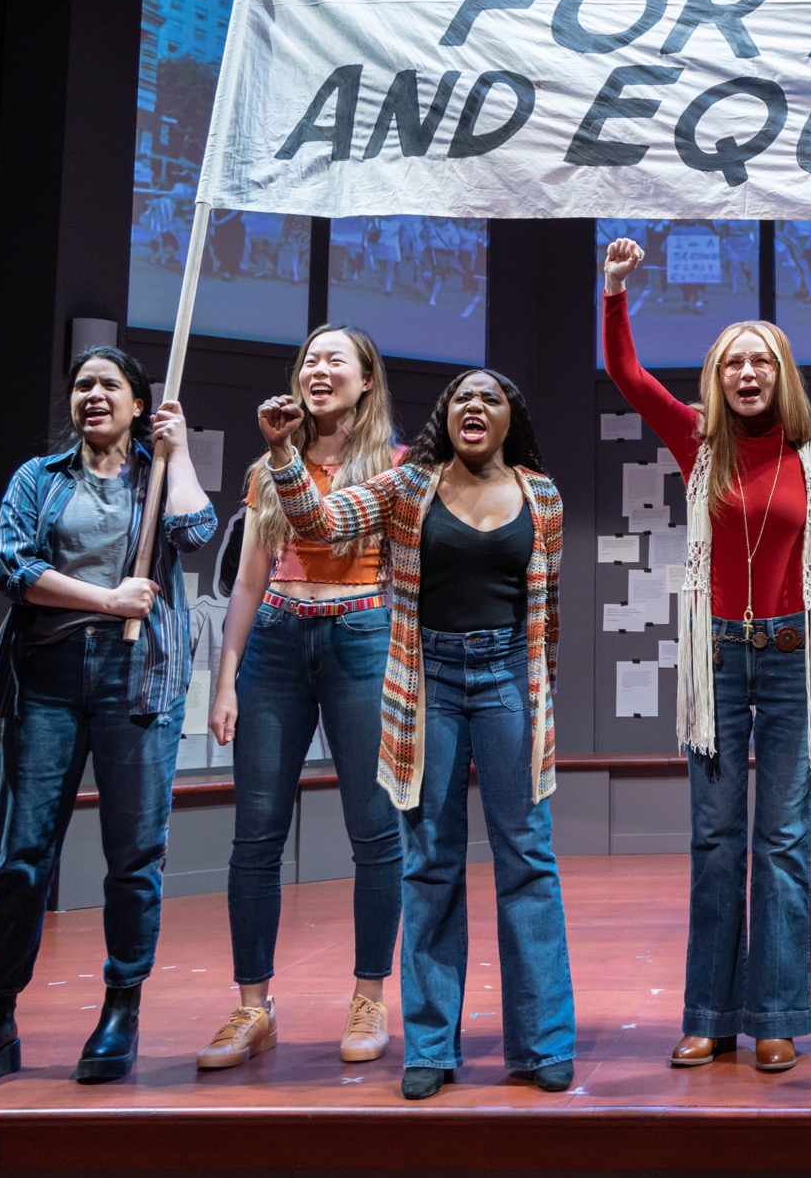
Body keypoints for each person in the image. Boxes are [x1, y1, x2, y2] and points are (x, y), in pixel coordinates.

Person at [261, 368, 573, 1101]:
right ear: (446, 415)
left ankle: (542, 1042)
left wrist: (539, 699)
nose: (474, 404)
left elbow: (547, 612)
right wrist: (283, 457)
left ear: (509, 418)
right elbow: (322, 524)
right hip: (427, 680)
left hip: (507, 682)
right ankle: (430, 1044)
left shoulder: (543, 496)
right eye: (461, 395)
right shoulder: (410, 486)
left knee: (526, 857)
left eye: (490, 397)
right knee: (429, 858)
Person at [601, 237, 811, 1075]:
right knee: (717, 842)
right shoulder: (696, 443)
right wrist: (614, 292)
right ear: (717, 378)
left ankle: (776, 1011)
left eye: (760, 361)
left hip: (791, 657)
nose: (746, 374)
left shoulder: (810, 459)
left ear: (781, 375)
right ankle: (710, 1013)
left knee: (782, 842)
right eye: (732, 363)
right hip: (715, 660)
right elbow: (628, 376)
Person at [0, 346, 216, 1095]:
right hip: (50, 674)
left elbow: (197, 530)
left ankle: (121, 1009)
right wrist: (106, 600)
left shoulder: (158, 479)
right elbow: (12, 569)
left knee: (134, 858)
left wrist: (177, 451)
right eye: (83, 384)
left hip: (138, 678)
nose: (94, 394)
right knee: (21, 854)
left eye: (109, 385)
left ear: (137, 402)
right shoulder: (38, 478)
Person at [196, 325, 403, 1071]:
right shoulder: (265, 469)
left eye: (334, 360)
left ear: (366, 379)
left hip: (360, 634)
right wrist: (226, 678)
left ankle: (369, 994)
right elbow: (249, 579)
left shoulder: (396, 467)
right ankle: (253, 1006)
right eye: (309, 360)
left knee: (373, 829)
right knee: (256, 830)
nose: (318, 370)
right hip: (279, 637)